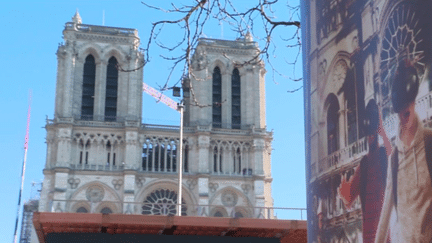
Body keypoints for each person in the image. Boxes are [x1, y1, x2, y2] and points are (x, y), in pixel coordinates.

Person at [375, 60, 432, 243]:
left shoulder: (429, 143)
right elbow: (386, 212)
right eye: (399, 115)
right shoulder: (394, 159)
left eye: (406, 113)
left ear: (414, 103)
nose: (402, 120)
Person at [338, 100, 391, 243]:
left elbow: (393, 157)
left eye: (372, 134)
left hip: (383, 232)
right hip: (373, 235)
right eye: (369, 135)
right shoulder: (365, 163)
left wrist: (382, 131)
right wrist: (343, 193)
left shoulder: (382, 155)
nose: (370, 138)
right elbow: (349, 201)